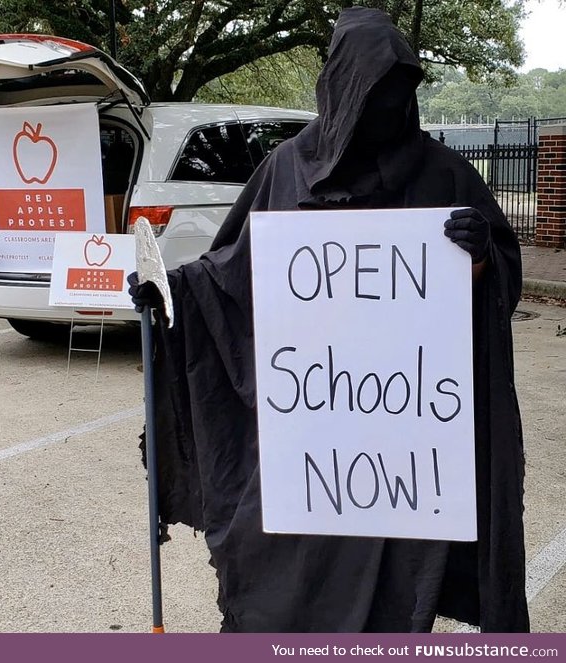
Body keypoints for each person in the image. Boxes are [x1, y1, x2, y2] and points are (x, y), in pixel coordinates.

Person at [128, 6, 528, 633]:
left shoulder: (442, 173)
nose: (388, 114)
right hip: (308, 437)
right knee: (287, 579)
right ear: (342, 93)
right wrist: (166, 291)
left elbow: (500, 281)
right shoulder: (286, 168)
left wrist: (480, 260)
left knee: (396, 597)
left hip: (403, 449)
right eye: (373, 98)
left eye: (399, 99)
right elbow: (228, 275)